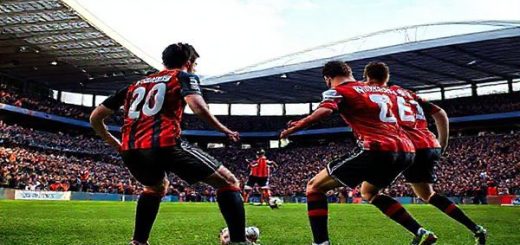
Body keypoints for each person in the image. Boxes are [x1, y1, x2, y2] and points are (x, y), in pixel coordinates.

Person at [90, 43, 248, 245]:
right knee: (229, 181)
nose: (195, 68)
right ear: (189, 62)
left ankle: (138, 242)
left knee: (155, 188)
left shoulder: (134, 85)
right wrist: (224, 130)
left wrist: (116, 144)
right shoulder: (183, 77)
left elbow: (95, 117)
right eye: (195, 63)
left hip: (132, 149)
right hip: (165, 144)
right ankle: (238, 241)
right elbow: (197, 107)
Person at [280, 61, 437, 245]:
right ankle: (420, 231)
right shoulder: (378, 88)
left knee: (314, 186)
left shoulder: (339, 90)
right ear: (350, 72)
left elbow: (324, 111)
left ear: (327, 79)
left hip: (377, 148)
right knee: (369, 192)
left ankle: (321, 243)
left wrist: (297, 126)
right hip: (407, 150)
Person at [387, 61, 487, 245]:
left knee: (370, 190)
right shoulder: (410, 95)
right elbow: (440, 113)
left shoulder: (383, 96)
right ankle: (477, 229)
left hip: (411, 147)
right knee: (428, 195)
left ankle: (421, 232)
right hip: (429, 144)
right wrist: (442, 143)